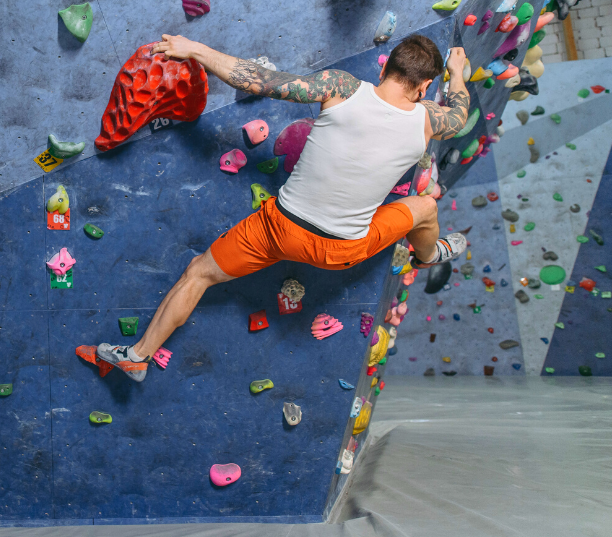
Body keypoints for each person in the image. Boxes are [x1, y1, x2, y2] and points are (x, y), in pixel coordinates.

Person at [98, 33, 471, 382]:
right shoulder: (429, 120)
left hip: (278, 231)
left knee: (198, 274)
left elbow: (258, 80)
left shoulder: (341, 87)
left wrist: (194, 48)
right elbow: (459, 114)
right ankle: (428, 255)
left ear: (385, 66)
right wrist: (456, 75)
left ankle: (139, 355)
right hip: (342, 249)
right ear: (425, 87)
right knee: (423, 206)